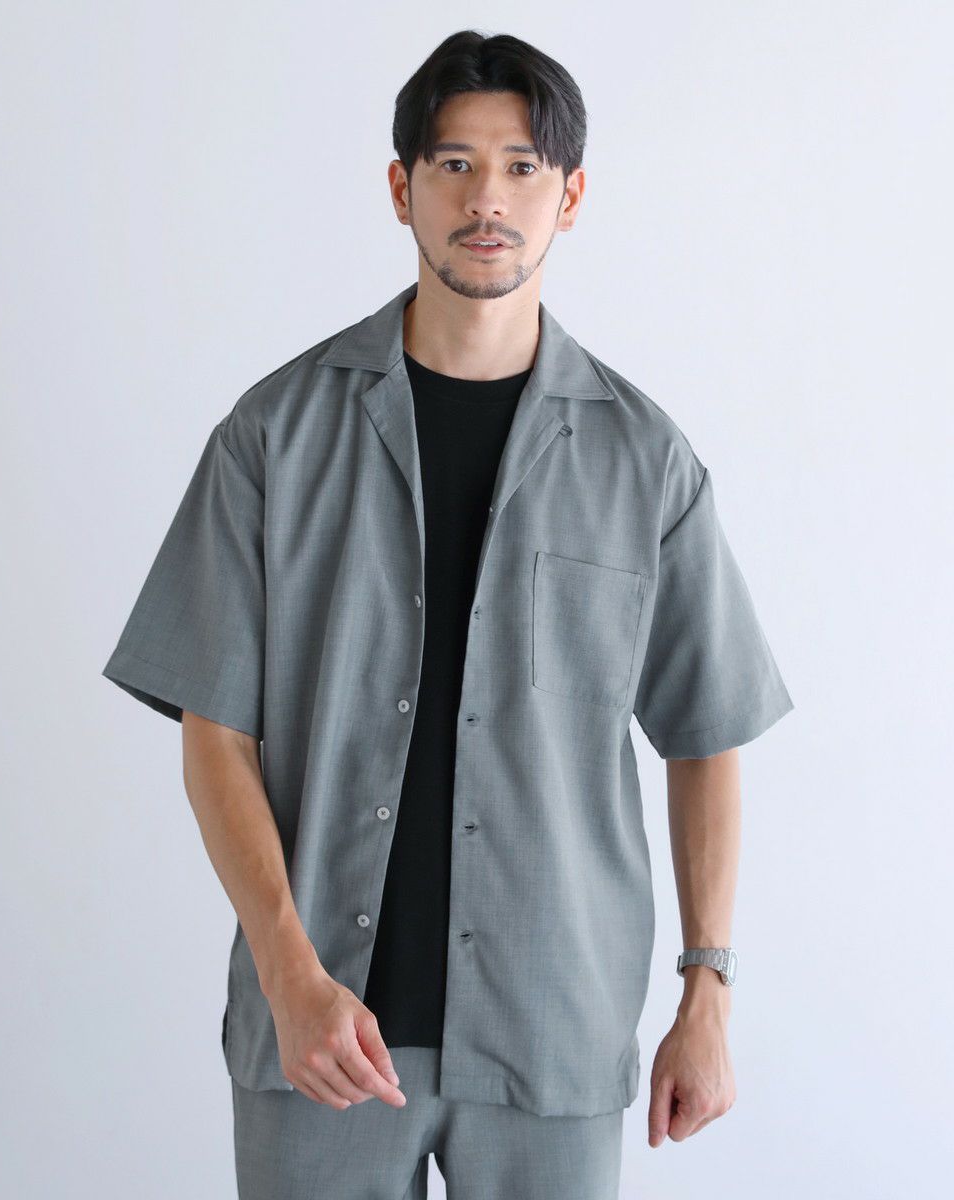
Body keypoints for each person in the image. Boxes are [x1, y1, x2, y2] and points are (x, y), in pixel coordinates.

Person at [102, 28, 794, 1200]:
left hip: (552, 1029)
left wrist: (707, 992)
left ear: (570, 197)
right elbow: (215, 734)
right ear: (401, 188)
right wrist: (286, 973)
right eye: (455, 165)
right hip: (320, 1034)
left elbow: (705, 734)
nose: (488, 200)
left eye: (523, 167)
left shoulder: (644, 462)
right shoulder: (274, 436)